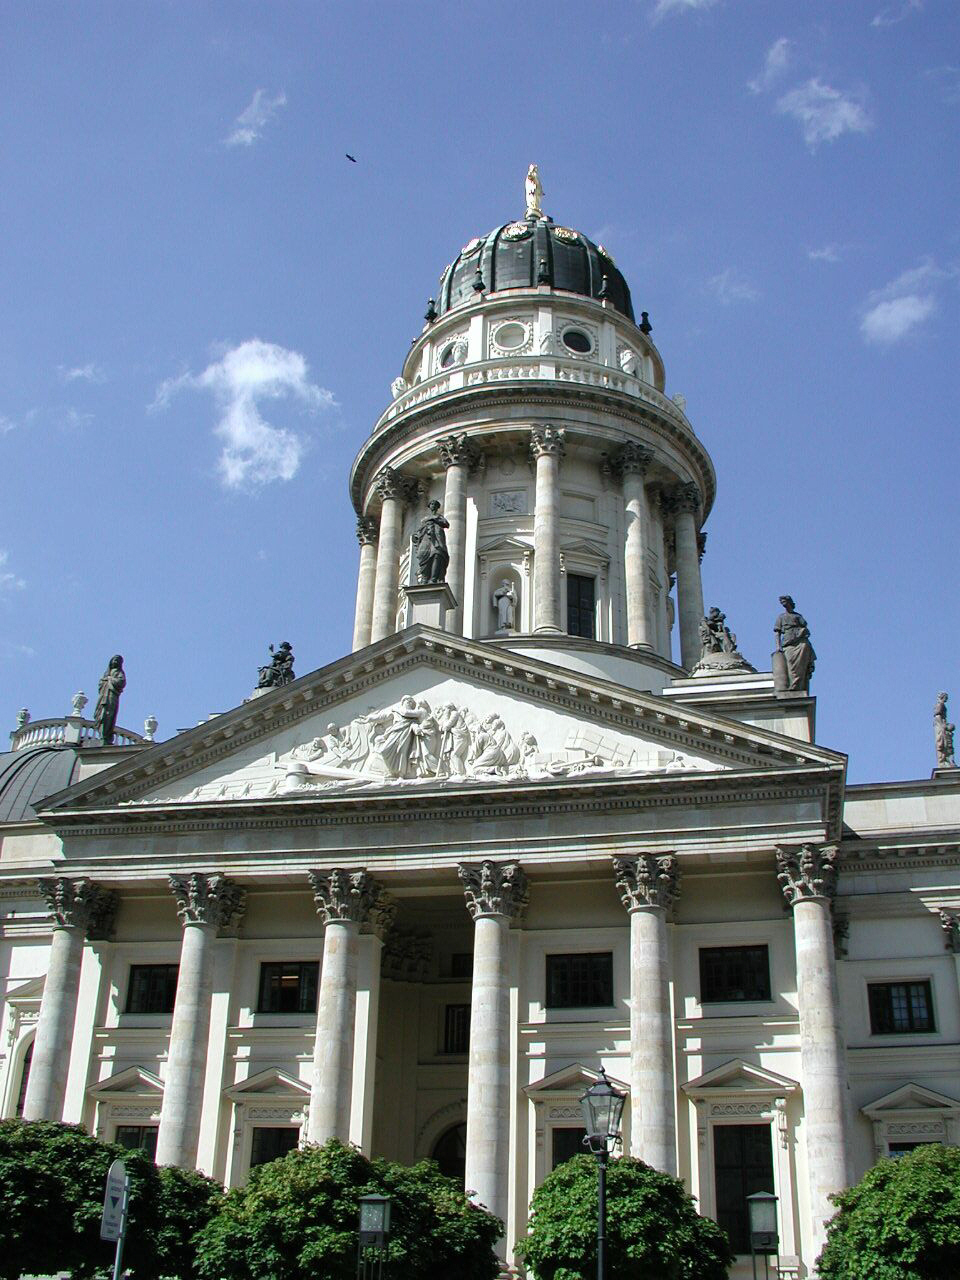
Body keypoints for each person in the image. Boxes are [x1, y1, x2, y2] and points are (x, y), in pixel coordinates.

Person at [774, 596, 816, 691]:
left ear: (789, 602)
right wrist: (778, 647)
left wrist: (802, 632)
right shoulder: (781, 617)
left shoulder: (798, 616)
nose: (783, 604)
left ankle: (798, 686)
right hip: (788, 643)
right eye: (782, 602)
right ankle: (792, 684)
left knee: (801, 665)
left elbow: (806, 629)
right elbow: (777, 633)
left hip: (800, 642)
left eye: (785, 601)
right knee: (790, 666)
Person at [412, 500, 450, 584]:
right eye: (431, 504)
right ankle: (425, 578)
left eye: (435, 504)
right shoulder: (425, 519)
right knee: (424, 556)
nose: (433, 506)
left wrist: (434, 519)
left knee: (437, 554)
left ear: (437, 507)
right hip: (426, 538)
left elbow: (446, 524)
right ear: (429, 506)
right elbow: (420, 530)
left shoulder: (439, 517)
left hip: (437, 538)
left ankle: (434, 579)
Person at [94, 655, 126, 744]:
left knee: (109, 714)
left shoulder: (119, 673)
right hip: (103, 697)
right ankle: (102, 733)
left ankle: (106, 735)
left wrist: (110, 679)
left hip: (112, 696)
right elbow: (101, 684)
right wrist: (105, 681)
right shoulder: (106, 673)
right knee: (102, 714)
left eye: (118, 661)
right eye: (114, 660)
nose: (115, 662)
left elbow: (121, 682)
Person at [934, 692, 957, 767]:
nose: (946, 699)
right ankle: (944, 761)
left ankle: (948, 760)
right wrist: (943, 725)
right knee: (943, 744)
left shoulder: (941, 705)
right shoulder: (940, 705)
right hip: (941, 726)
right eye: (945, 697)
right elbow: (937, 715)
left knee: (947, 744)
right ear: (943, 697)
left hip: (942, 725)